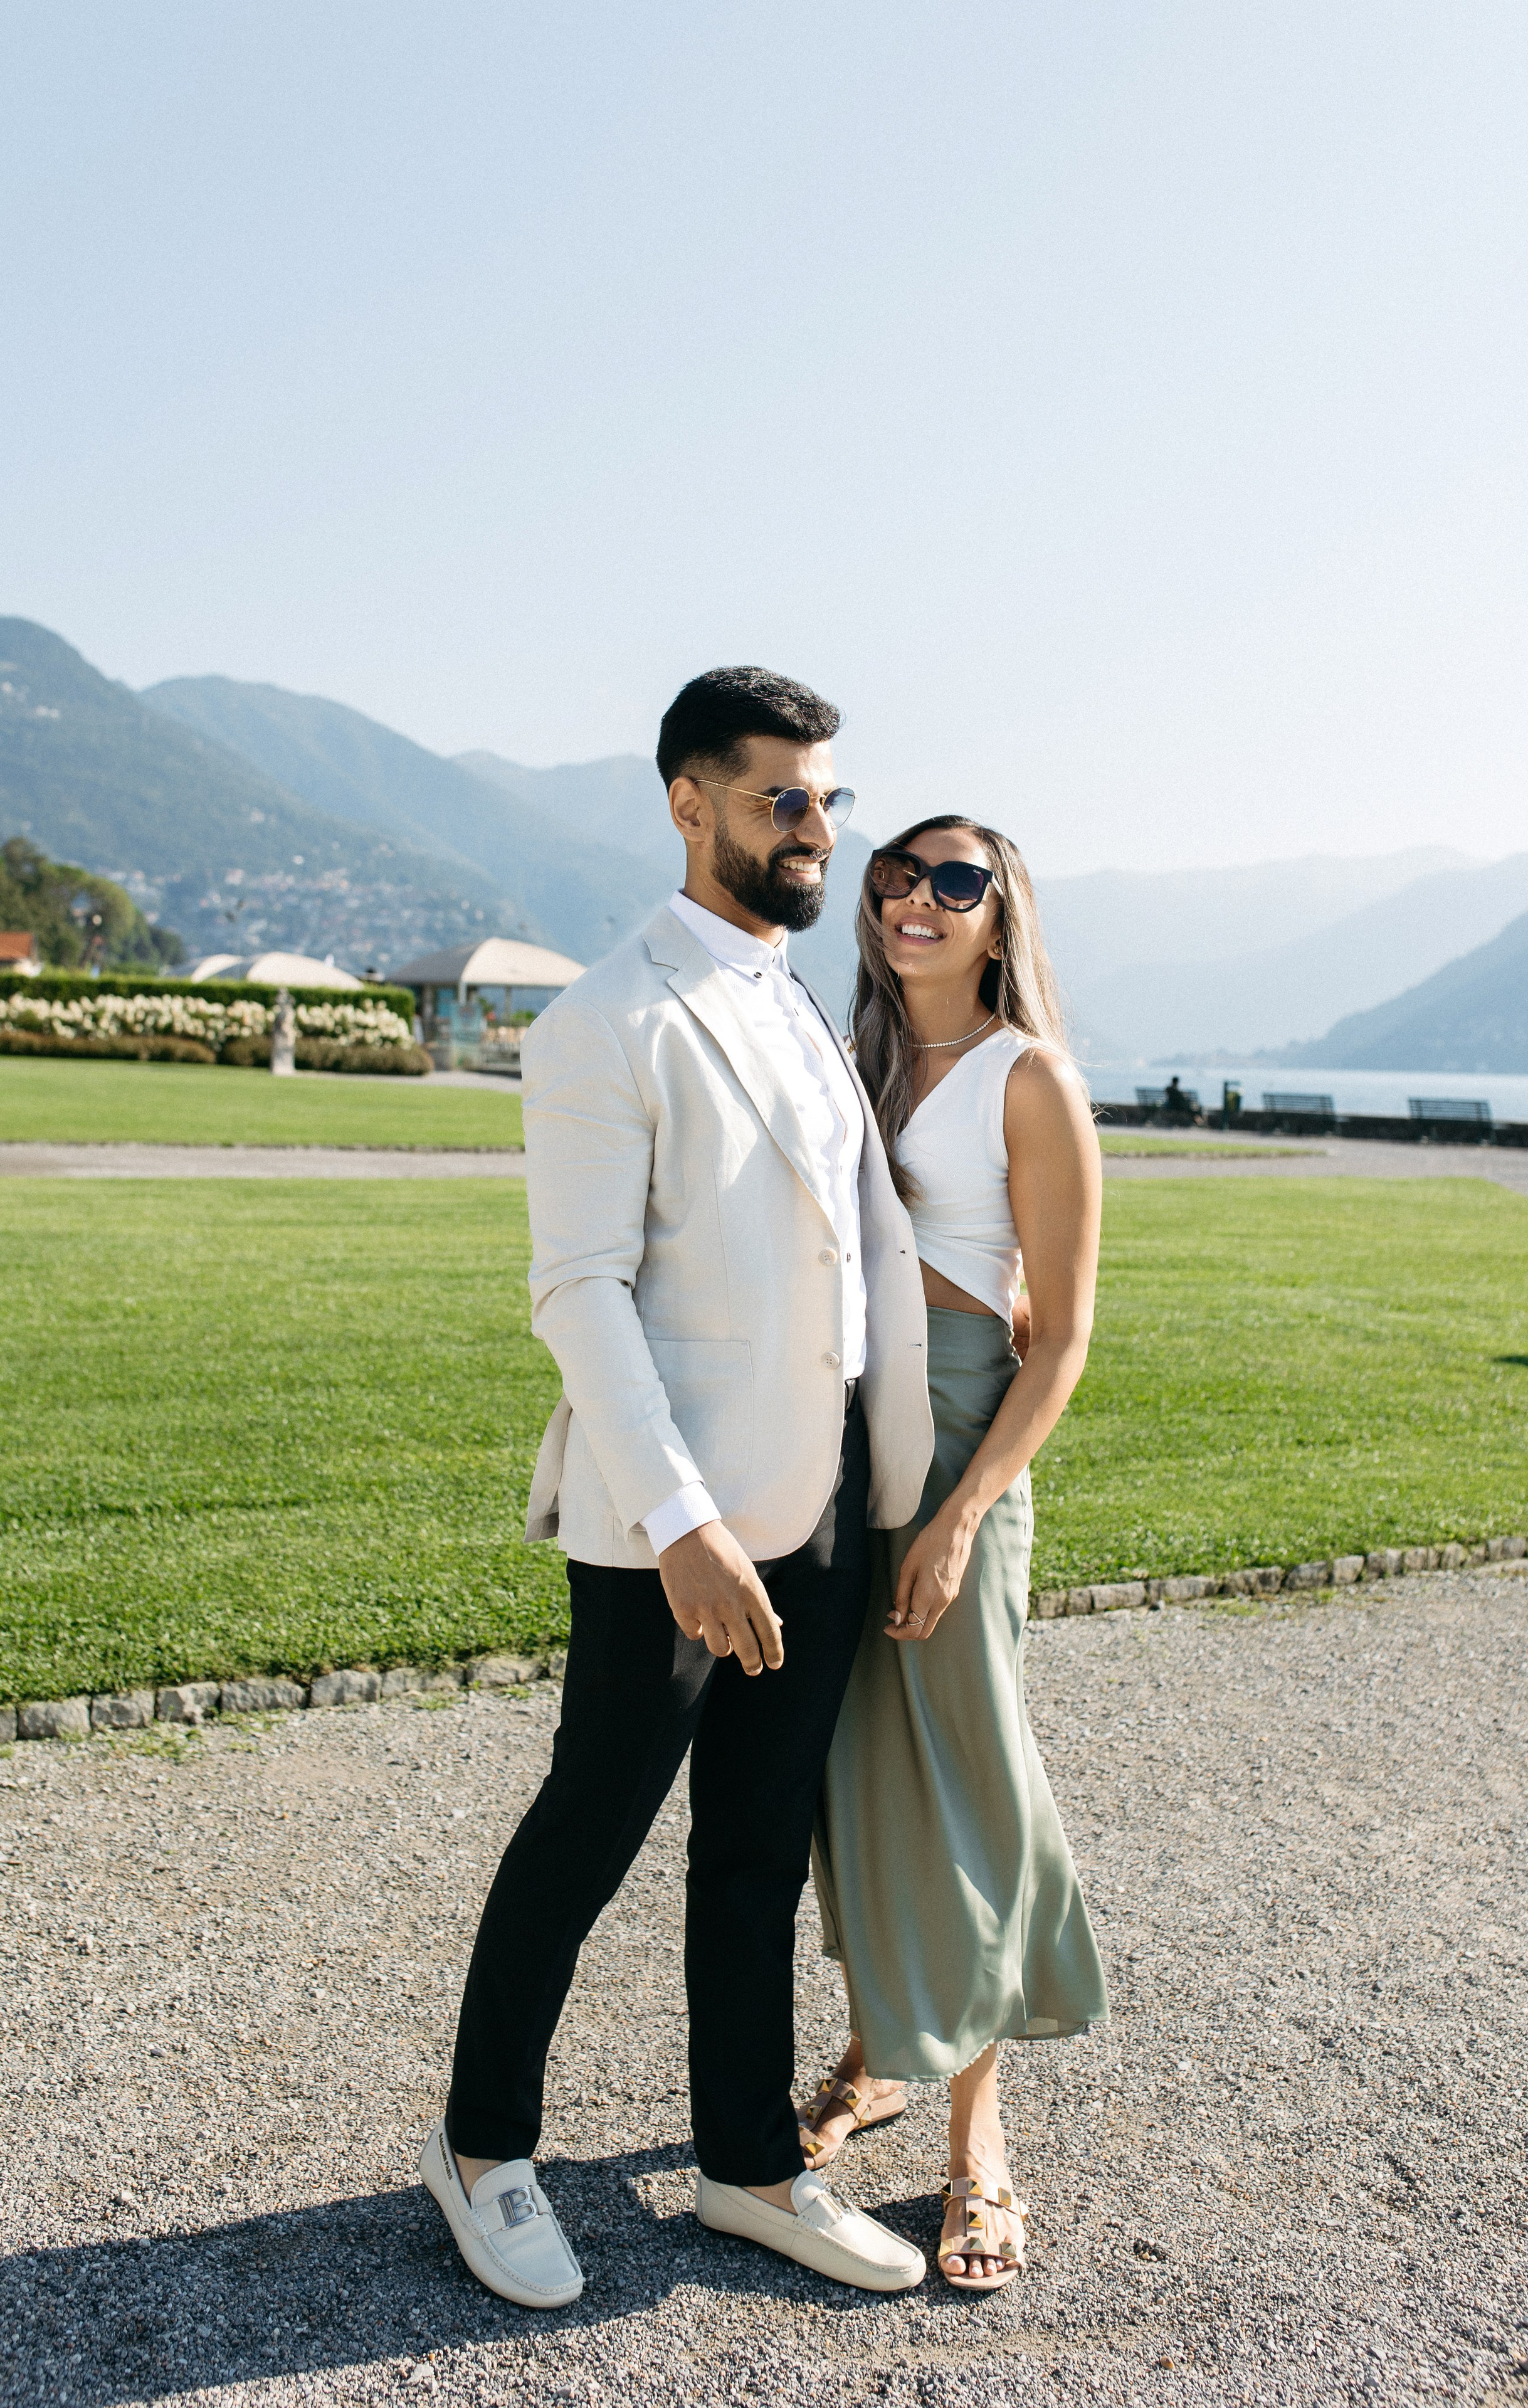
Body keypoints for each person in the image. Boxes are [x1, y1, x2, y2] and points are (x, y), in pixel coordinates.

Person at [421, 667, 935, 2306]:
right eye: (780, 795)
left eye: (825, 797)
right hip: (680, 1527)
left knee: (758, 1843)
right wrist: (686, 1527)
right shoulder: (605, 1018)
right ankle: (484, 2146)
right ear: (688, 802)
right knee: (593, 1822)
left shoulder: (802, 1002)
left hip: (837, 1495)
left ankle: (744, 2164)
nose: (813, 826)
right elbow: (579, 1290)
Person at [805, 815, 1109, 2293]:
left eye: (953, 883)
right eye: (891, 877)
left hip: (963, 1434)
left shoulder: (1027, 1077)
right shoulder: (851, 1060)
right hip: (841, 1420)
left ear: (1000, 918)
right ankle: (879, 2045)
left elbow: (1061, 1338)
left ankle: (977, 2142)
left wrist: (962, 1515)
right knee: (853, 1753)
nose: (913, 900)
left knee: (967, 1764)